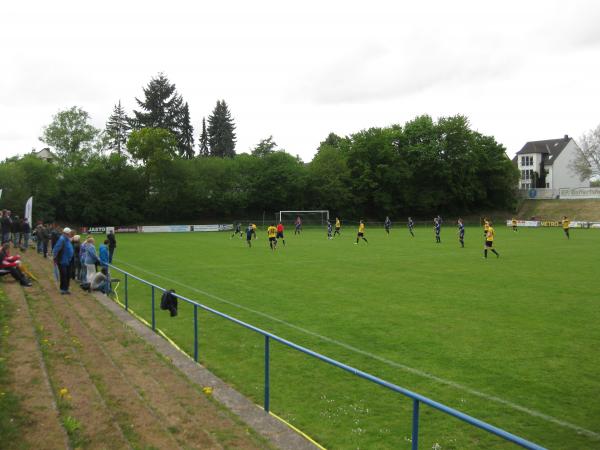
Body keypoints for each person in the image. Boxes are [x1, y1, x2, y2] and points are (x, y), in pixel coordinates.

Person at [52, 227, 74, 294]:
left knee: (68, 275)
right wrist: (54, 258)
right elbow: (55, 249)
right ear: (66, 233)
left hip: (68, 260)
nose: (71, 234)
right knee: (63, 275)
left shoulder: (67, 239)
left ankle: (66, 288)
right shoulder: (62, 239)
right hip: (62, 261)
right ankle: (62, 289)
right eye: (70, 233)